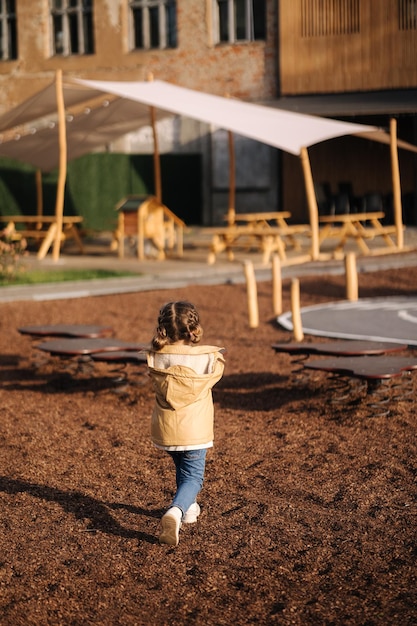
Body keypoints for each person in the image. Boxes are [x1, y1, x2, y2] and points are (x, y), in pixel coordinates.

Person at [146, 301, 225, 547]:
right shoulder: (209, 358)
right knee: (193, 477)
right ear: (193, 328)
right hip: (195, 430)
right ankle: (176, 512)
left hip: (166, 429)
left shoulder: (156, 357)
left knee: (183, 470)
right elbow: (218, 369)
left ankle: (189, 508)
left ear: (164, 329)